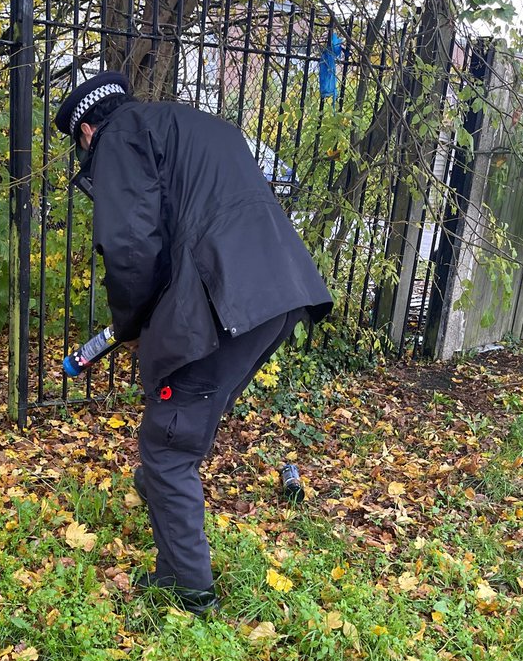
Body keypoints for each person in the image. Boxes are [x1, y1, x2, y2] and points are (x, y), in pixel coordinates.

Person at [54, 72, 332, 614]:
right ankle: (161, 490)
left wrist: (130, 325)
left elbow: (131, 246)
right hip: (278, 295)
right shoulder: (190, 124)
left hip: (225, 301)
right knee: (183, 421)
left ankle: (189, 589)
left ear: (86, 130)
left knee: (169, 443)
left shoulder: (120, 137)